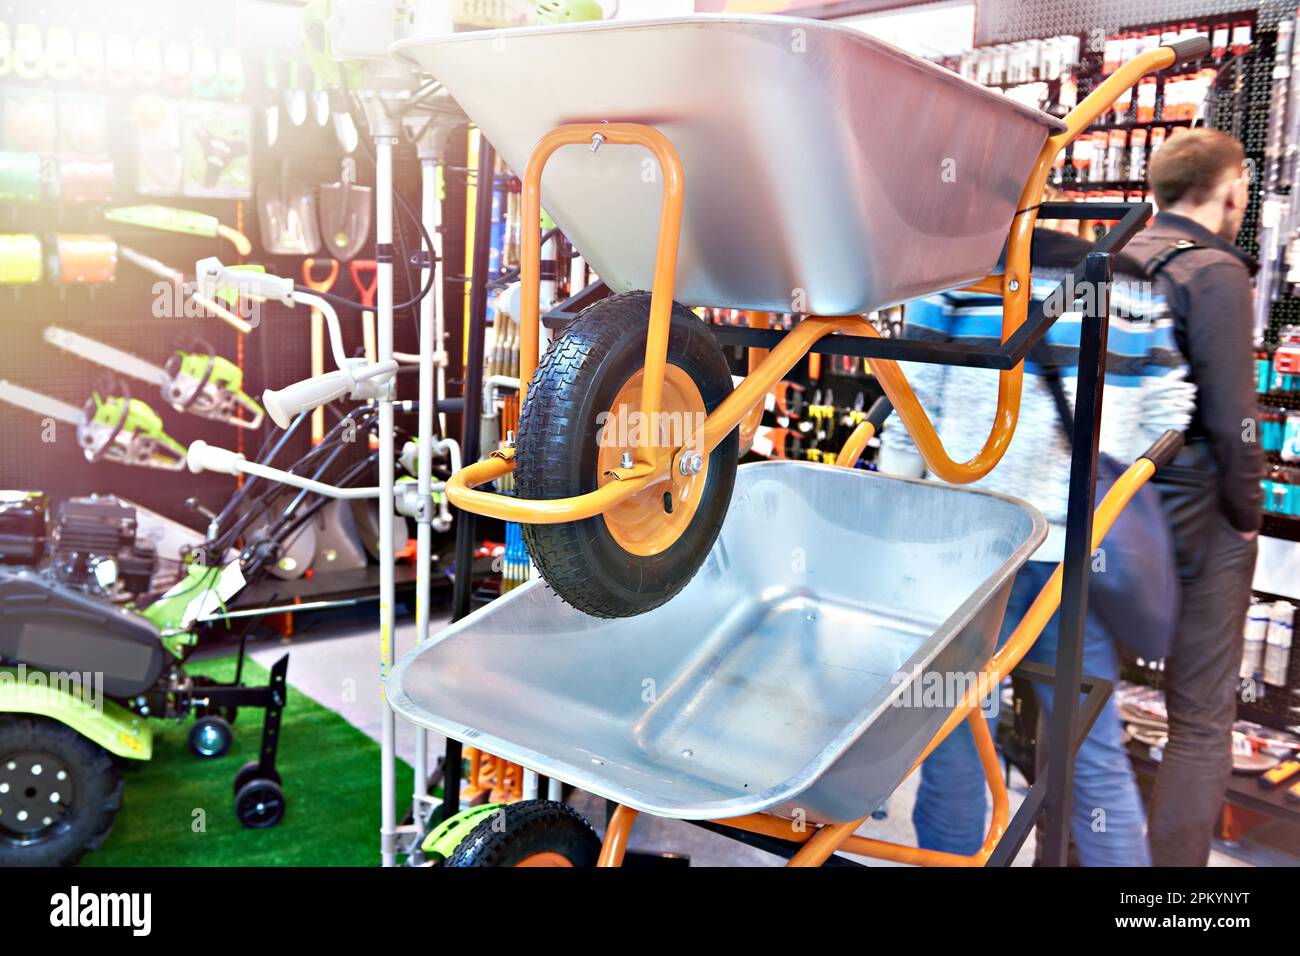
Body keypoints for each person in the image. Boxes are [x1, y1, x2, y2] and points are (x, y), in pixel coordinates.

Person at [879, 214, 1195, 865]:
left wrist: (893, 525)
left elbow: (911, 405)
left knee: (958, 737)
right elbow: (1171, 411)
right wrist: (1106, 463)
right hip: (1079, 555)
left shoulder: (954, 272)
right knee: (1091, 751)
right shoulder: (1129, 284)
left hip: (967, 554)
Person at [1124, 128, 1265, 867]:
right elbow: (1235, 417)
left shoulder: (1119, 257)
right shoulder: (1215, 273)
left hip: (1112, 504)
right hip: (1194, 510)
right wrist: (1248, 517)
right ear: (1233, 188)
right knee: (1202, 715)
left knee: (1083, 699)